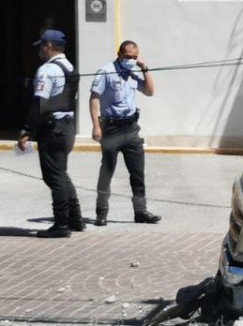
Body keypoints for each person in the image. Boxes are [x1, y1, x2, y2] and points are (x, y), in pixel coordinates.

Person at [17, 29, 84, 238]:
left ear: (48, 46)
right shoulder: (69, 66)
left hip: (52, 128)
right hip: (67, 127)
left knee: (54, 176)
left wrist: (27, 130)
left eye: (41, 46)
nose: (39, 50)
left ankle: (62, 224)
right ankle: (75, 219)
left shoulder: (47, 70)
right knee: (61, 173)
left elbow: (39, 102)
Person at [89, 40, 160, 226]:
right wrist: (96, 126)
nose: (131, 60)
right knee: (107, 171)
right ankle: (101, 212)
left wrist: (145, 69)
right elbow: (94, 98)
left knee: (137, 173)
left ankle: (141, 211)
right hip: (111, 128)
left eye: (134, 57)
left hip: (131, 129)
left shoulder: (133, 73)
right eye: (128, 57)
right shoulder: (106, 72)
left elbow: (150, 91)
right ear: (119, 54)